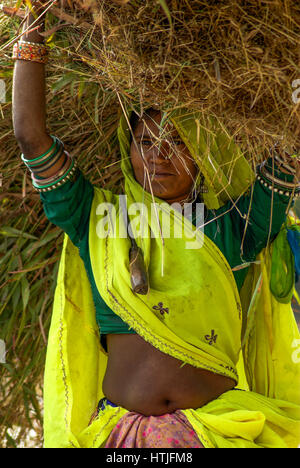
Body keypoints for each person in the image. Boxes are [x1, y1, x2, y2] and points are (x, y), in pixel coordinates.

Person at [12, 2, 300, 448]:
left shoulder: (234, 226)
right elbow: (31, 136)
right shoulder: (98, 219)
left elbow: (288, 149)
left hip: (217, 435)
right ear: (129, 150)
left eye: (176, 143)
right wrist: (33, 31)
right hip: (120, 439)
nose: (157, 155)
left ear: (203, 155)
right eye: (145, 141)